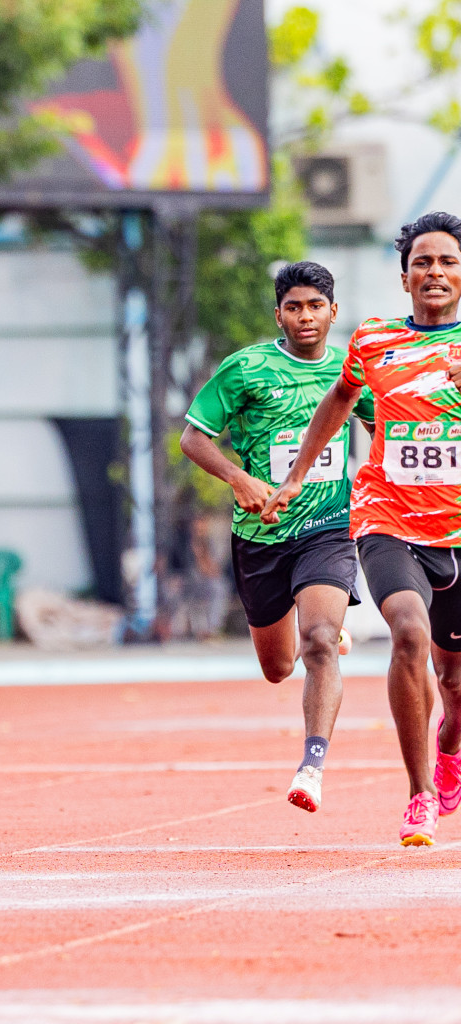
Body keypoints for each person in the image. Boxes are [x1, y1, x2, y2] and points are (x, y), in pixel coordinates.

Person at [263, 214, 461, 844]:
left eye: (448, 262)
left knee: (455, 681)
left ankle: (449, 748)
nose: (435, 272)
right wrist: (295, 476)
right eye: (423, 263)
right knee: (408, 632)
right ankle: (420, 794)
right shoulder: (375, 341)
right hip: (389, 520)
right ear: (404, 277)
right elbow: (340, 401)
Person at [182, 261, 372, 814]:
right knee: (278, 668)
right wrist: (238, 479)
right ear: (279, 314)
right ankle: (322, 632)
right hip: (262, 536)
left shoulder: (349, 371)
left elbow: (387, 428)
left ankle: (311, 766)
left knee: (317, 643)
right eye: (294, 306)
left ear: (334, 312)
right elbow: (193, 439)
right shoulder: (246, 370)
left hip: (329, 528)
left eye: (316, 305)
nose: (306, 316)